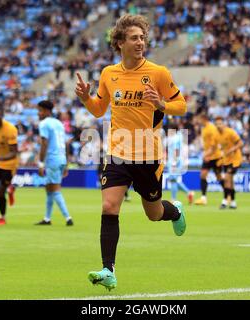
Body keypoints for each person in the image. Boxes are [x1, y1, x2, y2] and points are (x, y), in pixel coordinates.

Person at [74, 14, 187, 291]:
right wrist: (86, 98)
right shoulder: (108, 74)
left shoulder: (158, 73)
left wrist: (161, 103)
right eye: (134, 38)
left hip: (148, 156)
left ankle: (174, 212)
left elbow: (181, 105)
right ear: (120, 43)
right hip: (117, 153)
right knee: (109, 206)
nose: (140, 42)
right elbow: (99, 109)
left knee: (154, 213)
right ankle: (108, 269)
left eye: (142, 38)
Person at [35, 100, 73, 226]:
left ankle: (68, 217)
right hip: (61, 158)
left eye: (39, 110)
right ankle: (47, 218)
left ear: (46, 111)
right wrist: (66, 162)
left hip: (52, 159)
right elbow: (66, 143)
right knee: (49, 189)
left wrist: (40, 163)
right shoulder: (59, 123)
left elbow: (44, 143)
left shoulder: (44, 124)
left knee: (55, 189)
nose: (38, 113)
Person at [195, 113, 224, 206]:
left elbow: (214, 145)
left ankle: (228, 195)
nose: (198, 121)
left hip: (216, 157)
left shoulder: (211, 128)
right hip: (208, 156)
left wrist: (206, 154)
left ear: (204, 119)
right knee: (203, 175)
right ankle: (203, 198)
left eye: (199, 119)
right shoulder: (203, 128)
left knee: (219, 177)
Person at [215, 116, 243, 209]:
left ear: (223, 124)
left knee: (227, 178)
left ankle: (224, 201)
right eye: (217, 124)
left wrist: (232, 149)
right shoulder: (217, 135)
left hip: (235, 159)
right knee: (230, 181)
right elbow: (221, 147)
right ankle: (233, 202)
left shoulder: (230, 132)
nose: (218, 126)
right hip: (227, 160)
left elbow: (240, 143)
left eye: (220, 123)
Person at [166, 123, 194, 203]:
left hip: (175, 161)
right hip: (175, 160)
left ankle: (173, 198)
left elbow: (176, 150)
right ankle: (189, 193)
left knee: (173, 180)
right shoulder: (178, 136)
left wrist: (175, 161)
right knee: (174, 179)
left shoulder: (176, 138)